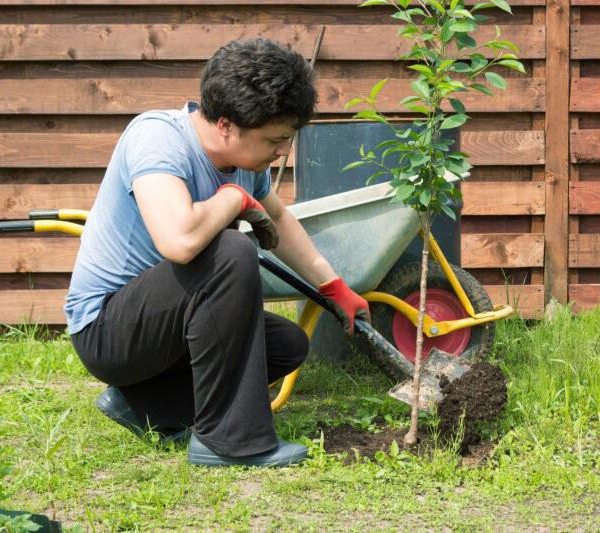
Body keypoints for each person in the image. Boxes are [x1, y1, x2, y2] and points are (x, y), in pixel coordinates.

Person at [64, 38, 370, 468]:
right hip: (109, 331)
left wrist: (334, 286)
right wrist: (232, 198)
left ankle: (146, 405)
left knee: (284, 345)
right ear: (225, 124)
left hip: (168, 325)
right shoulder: (157, 138)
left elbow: (279, 219)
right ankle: (229, 441)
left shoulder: (246, 162)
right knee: (229, 250)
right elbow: (180, 241)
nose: (283, 151)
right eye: (274, 140)